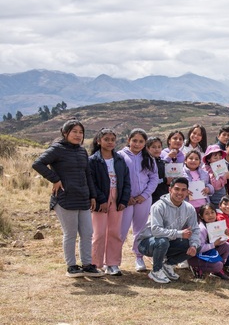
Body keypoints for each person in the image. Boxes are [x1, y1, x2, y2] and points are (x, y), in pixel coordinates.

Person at [32, 119, 103, 278]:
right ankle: (71, 266)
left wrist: (92, 195)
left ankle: (87, 265)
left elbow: (87, 174)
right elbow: (37, 164)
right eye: (74, 132)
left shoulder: (81, 151)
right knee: (70, 234)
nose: (78, 135)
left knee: (87, 232)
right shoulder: (57, 149)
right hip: (65, 198)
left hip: (83, 197)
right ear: (65, 133)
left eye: (81, 132)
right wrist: (55, 179)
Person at [136, 177, 201, 284]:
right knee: (162, 241)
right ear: (170, 190)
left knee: (197, 245)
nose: (180, 192)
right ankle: (156, 271)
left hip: (169, 242)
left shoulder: (189, 208)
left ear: (187, 192)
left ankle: (168, 265)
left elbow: (194, 229)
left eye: (183, 190)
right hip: (148, 243)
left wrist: (193, 245)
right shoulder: (158, 206)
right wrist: (180, 233)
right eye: (177, 189)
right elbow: (156, 231)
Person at [88, 128, 131, 276]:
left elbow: (126, 181)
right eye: (106, 139)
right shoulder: (93, 160)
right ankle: (96, 264)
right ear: (99, 141)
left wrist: (123, 200)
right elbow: (91, 182)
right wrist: (100, 200)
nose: (110, 142)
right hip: (101, 200)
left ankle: (112, 263)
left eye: (112, 139)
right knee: (98, 233)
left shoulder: (119, 160)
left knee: (114, 232)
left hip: (117, 198)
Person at [118, 128, 158, 273]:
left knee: (140, 230)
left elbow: (153, 178)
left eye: (141, 141)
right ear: (129, 140)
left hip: (143, 200)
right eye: (134, 140)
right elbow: (116, 178)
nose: (137, 144)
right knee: (121, 231)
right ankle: (113, 260)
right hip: (125, 200)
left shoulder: (148, 158)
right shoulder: (119, 156)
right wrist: (125, 196)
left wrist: (145, 195)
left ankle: (139, 257)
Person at [187, 203, 229, 280]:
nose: (210, 215)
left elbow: (219, 242)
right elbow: (198, 249)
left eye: (212, 212)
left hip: (208, 252)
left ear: (216, 213)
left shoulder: (216, 225)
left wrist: (225, 236)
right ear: (201, 216)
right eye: (207, 214)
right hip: (196, 257)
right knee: (218, 265)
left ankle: (217, 271)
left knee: (227, 246)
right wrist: (213, 244)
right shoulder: (201, 229)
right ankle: (197, 268)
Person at [146, 137, 169, 204]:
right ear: (147, 148)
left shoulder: (162, 162)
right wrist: (164, 180)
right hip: (151, 198)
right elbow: (147, 181)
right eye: (153, 147)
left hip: (164, 196)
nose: (157, 149)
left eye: (159, 147)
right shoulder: (146, 163)